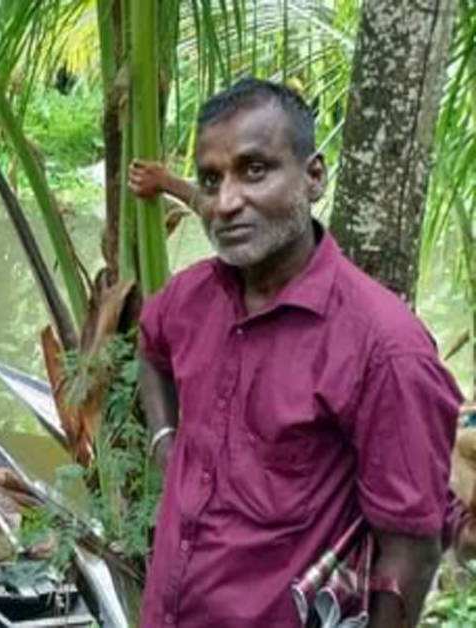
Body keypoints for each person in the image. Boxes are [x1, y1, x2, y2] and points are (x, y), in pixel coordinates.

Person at [133, 77, 461, 627]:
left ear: (314, 178)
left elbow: (411, 550)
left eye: (254, 170)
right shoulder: (190, 298)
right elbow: (150, 348)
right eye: (210, 180)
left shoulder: (385, 350)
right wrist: (167, 442)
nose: (226, 202)